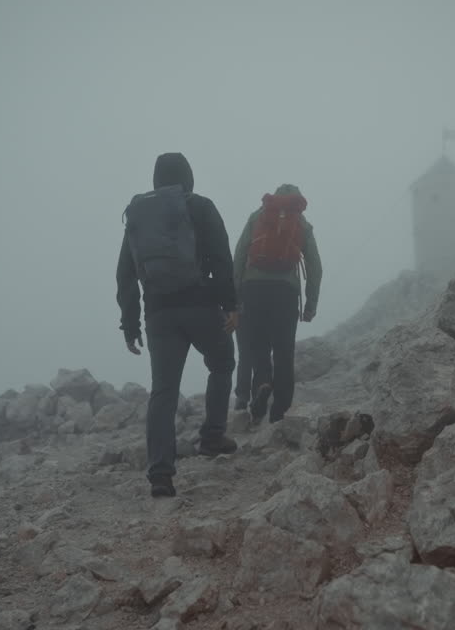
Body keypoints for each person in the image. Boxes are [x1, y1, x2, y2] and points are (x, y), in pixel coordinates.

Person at [116, 152, 239, 498]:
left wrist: (130, 324)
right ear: (189, 177)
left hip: (158, 315)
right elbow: (221, 257)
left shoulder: (139, 217)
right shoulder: (200, 206)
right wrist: (230, 304)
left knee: (164, 391)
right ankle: (213, 437)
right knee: (222, 364)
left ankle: (160, 473)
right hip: (201, 306)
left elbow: (125, 273)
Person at [232, 183, 322, 424]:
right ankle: (279, 414)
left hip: (253, 289)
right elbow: (315, 266)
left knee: (258, 345)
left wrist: (235, 294)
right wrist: (311, 303)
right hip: (286, 293)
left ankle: (262, 383)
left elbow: (240, 254)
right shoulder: (302, 223)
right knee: (284, 351)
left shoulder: (258, 216)